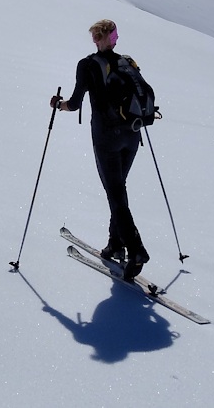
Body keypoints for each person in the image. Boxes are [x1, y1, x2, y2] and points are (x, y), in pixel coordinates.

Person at [50, 19, 151, 279]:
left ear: (96, 39)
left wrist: (59, 105)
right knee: (118, 189)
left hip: (107, 139)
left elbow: (74, 103)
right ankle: (115, 244)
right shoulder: (127, 62)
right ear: (114, 38)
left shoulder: (87, 65)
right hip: (132, 136)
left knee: (115, 193)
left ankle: (135, 249)